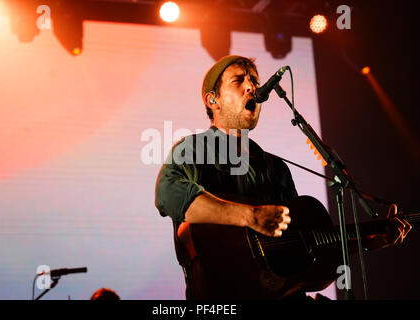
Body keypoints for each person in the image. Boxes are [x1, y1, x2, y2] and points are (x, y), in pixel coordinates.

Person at [154, 55, 412, 300]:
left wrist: (365, 241)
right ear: (213, 100)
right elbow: (168, 195)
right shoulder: (194, 149)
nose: (251, 86)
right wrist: (251, 217)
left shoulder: (275, 168)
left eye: (254, 80)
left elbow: (300, 245)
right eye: (238, 80)